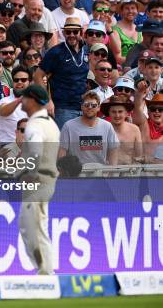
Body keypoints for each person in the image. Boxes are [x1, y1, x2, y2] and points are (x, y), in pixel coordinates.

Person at [18, 84, 60, 275]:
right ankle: (45, 271)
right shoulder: (50, 123)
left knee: (33, 228)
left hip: (39, 180)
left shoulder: (34, 124)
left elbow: (35, 151)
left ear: (32, 100)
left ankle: (46, 273)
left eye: (24, 97)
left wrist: (30, 173)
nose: (22, 101)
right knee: (36, 227)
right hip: (47, 180)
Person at [35, 17, 90, 129]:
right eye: (68, 32)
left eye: (75, 32)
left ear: (81, 33)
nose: (71, 35)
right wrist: (47, 100)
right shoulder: (55, 52)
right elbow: (38, 76)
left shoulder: (87, 50)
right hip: (63, 108)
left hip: (84, 107)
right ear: (63, 33)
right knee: (64, 144)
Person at [59, 91, 120, 166]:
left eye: (94, 105)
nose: (90, 107)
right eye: (86, 105)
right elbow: (62, 151)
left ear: (98, 108)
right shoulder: (68, 126)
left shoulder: (107, 126)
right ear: (81, 106)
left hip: (100, 173)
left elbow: (113, 150)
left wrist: (112, 174)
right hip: (76, 173)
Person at [101, 96, 142, 164]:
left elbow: (138, 157)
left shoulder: (135, 129)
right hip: (107, 172)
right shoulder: (103, 129)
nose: (117, 115)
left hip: (129, 171)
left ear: (126, 113)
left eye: (120, 112)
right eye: (114, 112)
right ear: (109, 113)